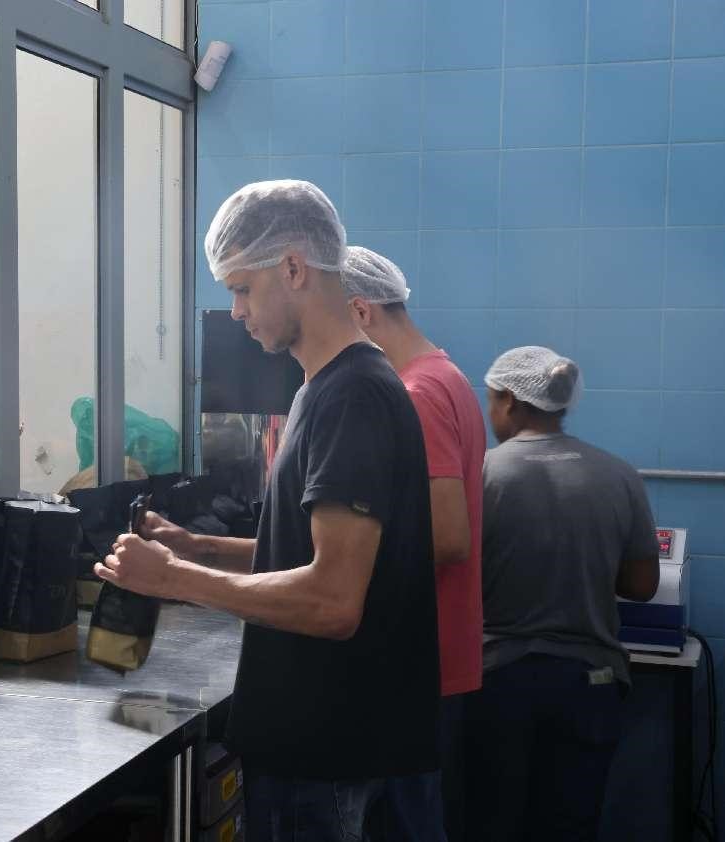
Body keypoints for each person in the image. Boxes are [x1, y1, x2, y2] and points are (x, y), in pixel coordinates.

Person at [93, 180, 440, 842]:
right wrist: (198, 547)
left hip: (326, 755)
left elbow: (332, 601)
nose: (235, 312)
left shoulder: (352, 397)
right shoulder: (324, 389)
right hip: (336, 744)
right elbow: (315, 552)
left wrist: (173, 579)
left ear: (293, 268)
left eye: (242, 289)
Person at [465, 346, 660, 842]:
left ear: (509, 401)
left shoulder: (482, 474)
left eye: (490, 400)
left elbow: (452, 569)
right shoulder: (619, 474)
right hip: (590, 682)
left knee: (490, 823)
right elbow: (643, 586)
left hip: (498, 680)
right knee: (570, 825)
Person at [341, 246, 486, 842]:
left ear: (361, 312)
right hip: (436, 654)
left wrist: (342, 563)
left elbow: (448, 537)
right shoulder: (446, 376)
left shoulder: (417, 392)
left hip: (417, 661)